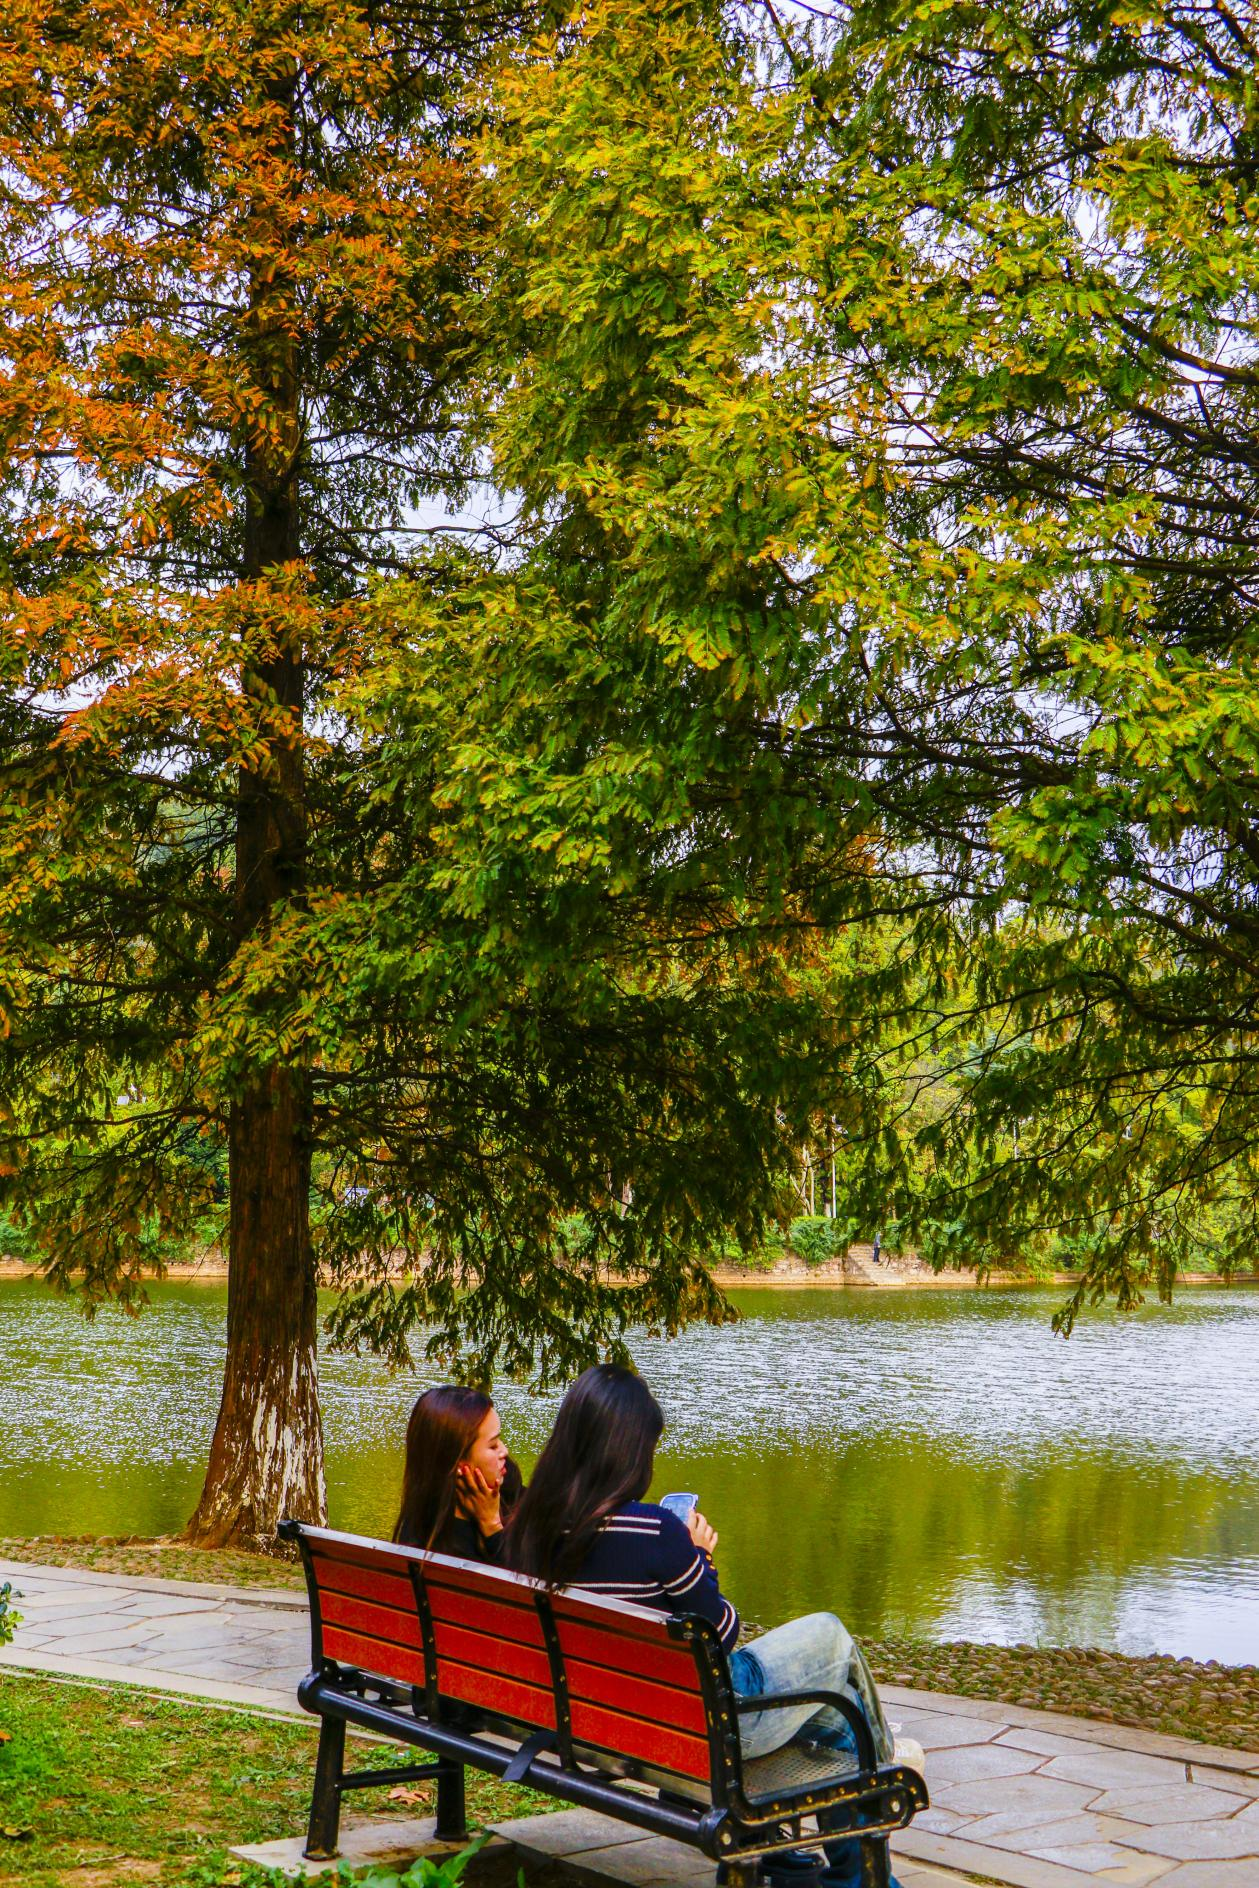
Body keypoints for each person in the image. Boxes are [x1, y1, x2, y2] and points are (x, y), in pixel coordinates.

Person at [506, 1364, 913, 1888]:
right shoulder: (657, 1531)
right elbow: (723, 1631)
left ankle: (799, 1865)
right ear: (628, 1452)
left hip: (597, 1718)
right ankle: (864, 1857)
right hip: (697, 1725)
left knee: (837, 1721)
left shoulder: (531, 1526)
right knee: (832, 1639)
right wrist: (699, 1559)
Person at [393, 1385, 522, 1562]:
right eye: (493, 1446)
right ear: (458, 1463)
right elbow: (523, 1586)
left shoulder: (506, 1483)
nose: (504, 1451)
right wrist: (492, 1527)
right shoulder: (450, 1552)